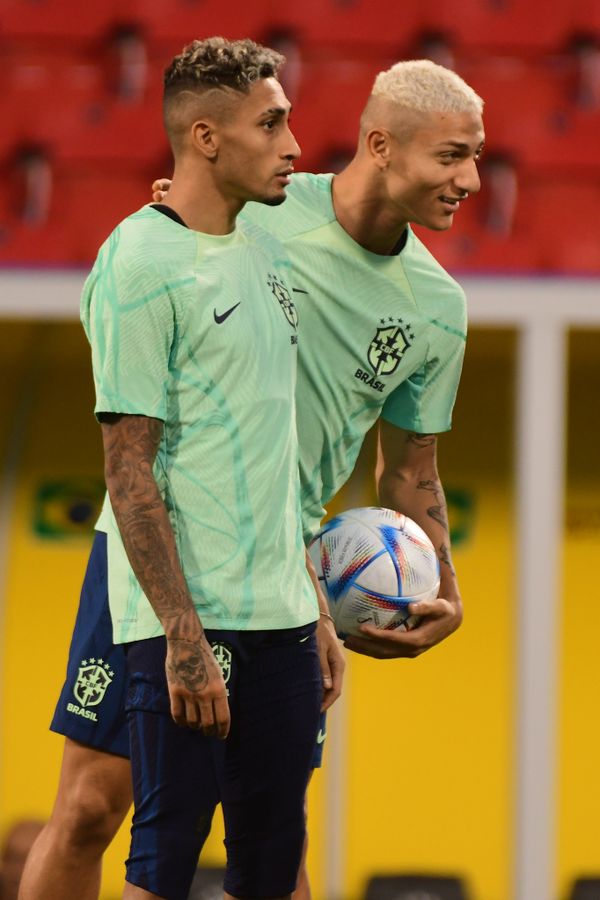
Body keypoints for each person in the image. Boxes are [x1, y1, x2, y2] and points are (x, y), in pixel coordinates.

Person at [20, 58, 484, 899]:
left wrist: (444, 589)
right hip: (160, 550)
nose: (472, 179)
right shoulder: (265, 206)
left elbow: (411, 468)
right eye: (453, 156)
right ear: (381, 145)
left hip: (283, 576)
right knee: (91, 806)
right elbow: (169, 239)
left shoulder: (437, 307)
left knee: (270, 840)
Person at [20, 37, 344, 900]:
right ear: (206, 138)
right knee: (94, 809)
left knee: (272, 836)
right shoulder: (140, 262)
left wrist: (308, 591)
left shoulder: (274, 227)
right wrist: (181, 632)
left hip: (264, 589)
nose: (295, 147)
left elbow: (377, 190)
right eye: (271, 124)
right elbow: (130, 469)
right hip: (155, 573)